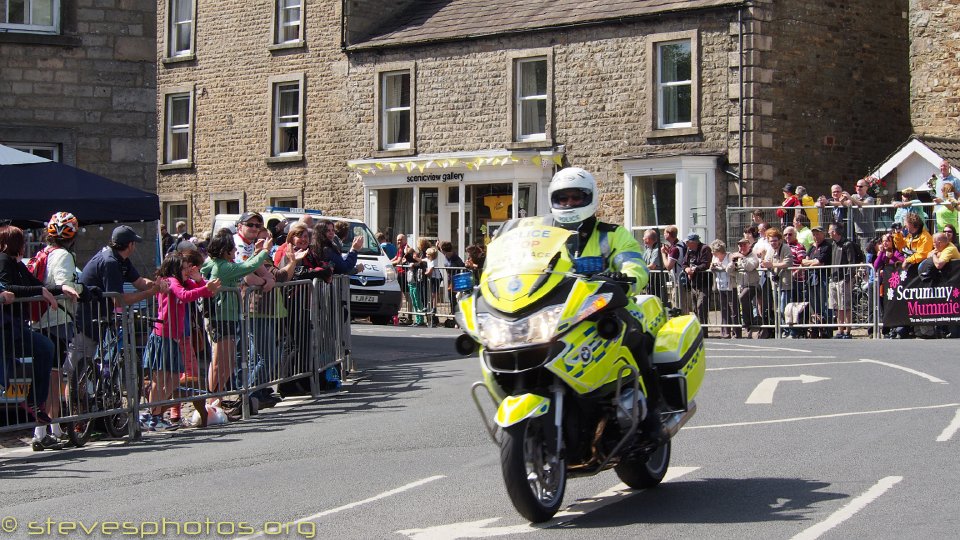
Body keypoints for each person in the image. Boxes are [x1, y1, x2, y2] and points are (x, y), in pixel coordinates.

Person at [0, 224, 78, 449]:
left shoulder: (16, 264)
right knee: (12, 370)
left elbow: (38, 286)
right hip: (6, 329)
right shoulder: (4, 260)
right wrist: (39, 292)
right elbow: (8, 288)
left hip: (16, 328)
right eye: (21, 240)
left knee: (45, 348)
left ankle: (35, 403)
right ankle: (35, 405)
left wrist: (60, 290)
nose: (25, 245)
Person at [67, 226, 169, 395]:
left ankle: (101, 408)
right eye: (134, 243)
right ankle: (75, 415)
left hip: (101, 317)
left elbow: (138, 282)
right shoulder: (110, 262)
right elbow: (118, 299)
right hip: (87, 320)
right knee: (77, 375)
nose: (135, 247)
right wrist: (150, 293)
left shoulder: (120, 259)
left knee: (95, 367)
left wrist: (155, 285)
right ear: (130, 245)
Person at [142, 251, 220, 430]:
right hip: (163, 335)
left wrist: (199, 279)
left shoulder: (183, 281)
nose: (187, 271)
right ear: (175, 268)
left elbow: (203, 292)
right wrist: (206, 288)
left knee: (176, 376)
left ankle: (156, 411)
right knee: (160, 378)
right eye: (184, 268)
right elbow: (184, 295)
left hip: (174, 337)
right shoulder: (170, 280)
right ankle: (154, 415)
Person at [200, 228, 272, 409]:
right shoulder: (223, 266)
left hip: (228, 317)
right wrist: (264, 251)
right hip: (221, 317)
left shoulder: (220, 264)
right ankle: (211, 401)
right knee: (219, 362)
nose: (235, 251)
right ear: (226, 251)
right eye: (232, 249)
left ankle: (218, 398)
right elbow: (247, 267)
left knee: (229, 361)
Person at [33, 212, 84, 447]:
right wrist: (81, 287)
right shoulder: (64, 255)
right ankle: (44, 432)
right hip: (57, 321)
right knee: (53, 378)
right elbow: (64, 284)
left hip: (42, 320)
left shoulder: (44, 252)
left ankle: (46, 431)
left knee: (48, 377)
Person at [827, 222, 862, 339]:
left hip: (844, 279)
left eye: (830, 230)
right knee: (837, 306)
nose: (828, 232)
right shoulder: (833, 244)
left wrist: (848, 277)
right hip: (834, 278)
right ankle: (839, 330)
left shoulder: (847, 244)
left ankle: (848, 331)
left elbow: (851, 261)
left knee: (845, 306)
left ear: (835, 232)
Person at [759, 228, 793, 337]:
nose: (773, 243)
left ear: (779, 240)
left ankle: (787, 330)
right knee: (777, 309)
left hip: (785, 283)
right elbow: (767, 262)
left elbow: (788, 263)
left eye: (775, 240)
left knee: (784, 308)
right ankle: (781, 330)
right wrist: (764, 262)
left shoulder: (786, 248)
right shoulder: (770, 250)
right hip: (775, 283)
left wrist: (772, 265)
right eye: (771, 241)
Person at [800, 226, 833, 338]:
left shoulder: (827, 246)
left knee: (823, 303)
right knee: (813, 305)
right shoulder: (812, 248)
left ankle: (825, 329)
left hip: (822, 277)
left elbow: (820, 262)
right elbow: (804, 261)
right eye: (814, 234)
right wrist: (811, 262)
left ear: (823, 234)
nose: (816, 236)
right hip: (811, 279)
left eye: (818, 234)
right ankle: (815, 328)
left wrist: (812, 262)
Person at [729, 237, 760, 338]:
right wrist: (733, 263)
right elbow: (729, 271)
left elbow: (750, 266)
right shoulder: (737, 257)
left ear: (749, 245)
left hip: (752, 285)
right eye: (740, 245)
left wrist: (742, 257)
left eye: (744, 245)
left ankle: (747, 322)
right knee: (741, 302)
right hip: (740, 285)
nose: (742, 247)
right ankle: (747, 324)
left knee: (743, 297)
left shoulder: (753, 256)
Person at [679, 233, 711, 326]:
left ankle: (703, 330)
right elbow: (684, 263)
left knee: (701, 306)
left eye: (688, 242)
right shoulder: (689, 250)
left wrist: (694, 269)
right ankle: (697, 328)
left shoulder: (705, 249)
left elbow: (706, 264)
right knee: (695, 308)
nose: (686, 244)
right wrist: (686, 269)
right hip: (693, 283)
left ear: (694, 242)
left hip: (703, 282)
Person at [709, 240, 739, 338]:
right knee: (724, 309)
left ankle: (736, 332)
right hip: (720, 285)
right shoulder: (715, 258)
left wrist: (722, 267)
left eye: (714, 251)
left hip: (731, 285)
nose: (713, 253)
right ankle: (725, 332)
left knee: (733, 309)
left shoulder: (729, 256)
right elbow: (711, 267)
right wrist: (713, 267)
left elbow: (731, 268)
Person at [848, 178, 876, 252]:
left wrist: (850, 198)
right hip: (856, 231)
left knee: (867, 253)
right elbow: (846, 203)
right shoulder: (854, 196)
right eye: (857, 186)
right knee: (859, 254)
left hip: (867, 231)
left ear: (866, 187)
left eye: (860, 186)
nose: (858, 188)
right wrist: (830, 203)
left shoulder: (870, 198)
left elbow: (863, 204)